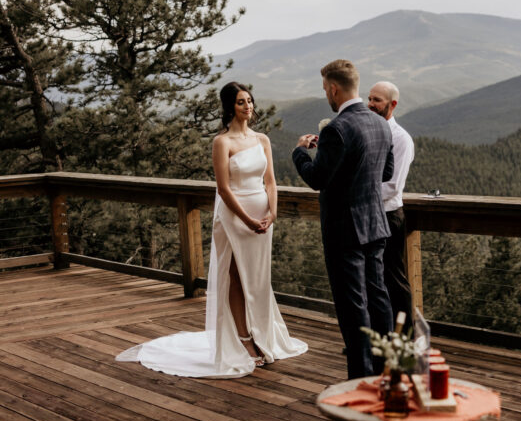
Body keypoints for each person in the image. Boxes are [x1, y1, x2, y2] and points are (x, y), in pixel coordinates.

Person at [116, 82, 307, 377]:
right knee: (235, 275)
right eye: (242, 102)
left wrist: (273, 212)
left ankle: (262, 333)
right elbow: (223, 188)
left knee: (257, 279)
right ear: (230, 106)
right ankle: (243, 339)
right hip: (235, 216)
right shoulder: (223, 142)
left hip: (263, 217)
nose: (249, 106)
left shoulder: (262, 139)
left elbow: (270, 181)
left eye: (250, 101)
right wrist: (246, 219)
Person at [292, 59, 394, 379]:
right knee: (378, 298)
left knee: (353, 306)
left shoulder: (337, 127)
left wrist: (300, 153)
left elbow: (318, 178)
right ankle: (384, 367)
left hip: (344, 230)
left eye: (325, 89)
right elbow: (385, 172)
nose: (326, 94)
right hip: (375, 224)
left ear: (334, 89)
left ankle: (360, 378)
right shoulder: (380, 123)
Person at [368, 80, 415, 331]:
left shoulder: (401, 139)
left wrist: (357, 194)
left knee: (393, 279)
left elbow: (393, 186)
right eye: (370, 98)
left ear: (392, 104)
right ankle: (379, 335)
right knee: (373, 281)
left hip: (388, 216)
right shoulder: (369, 133)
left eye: (377, 100)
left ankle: (405, 337)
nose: (370, 104)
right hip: (369, 216)